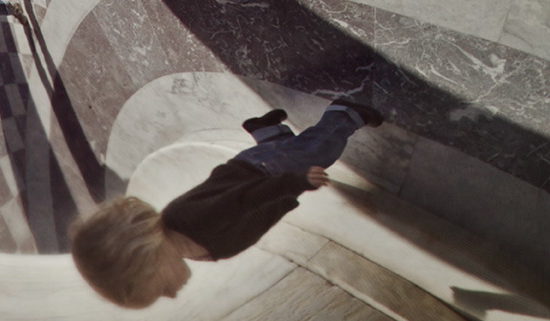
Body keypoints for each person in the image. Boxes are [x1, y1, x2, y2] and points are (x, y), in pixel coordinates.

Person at [69, 101, 384, 308]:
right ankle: (267, 130)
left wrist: (295, 181)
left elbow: (245, 198)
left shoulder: (193, 222)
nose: (171, 294)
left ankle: (343, 114)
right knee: (283, 150)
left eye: (161, 288)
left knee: (318, 151)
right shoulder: (188, 245)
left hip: (265, 172)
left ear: (146, 257)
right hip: (261, 168)